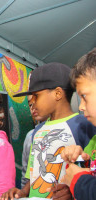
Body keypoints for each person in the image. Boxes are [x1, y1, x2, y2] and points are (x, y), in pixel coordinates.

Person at [1, 62, 96, 200]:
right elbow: (33, 172)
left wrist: (71, 190)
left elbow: (90, 169)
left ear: (57, 93)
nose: (32, 102)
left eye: (36, 96)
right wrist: (23, 192)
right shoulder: (37, 130)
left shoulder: (83, 125)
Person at [59, 47, 96, 200]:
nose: (80, 106)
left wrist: (78, 181)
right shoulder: (93, 143)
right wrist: (82, 160)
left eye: (84, 96)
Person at [21, 95, 49, 188]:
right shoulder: (30, 136)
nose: (33, 108)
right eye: (30, 104)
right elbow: (26, 174)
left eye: (36, 101)